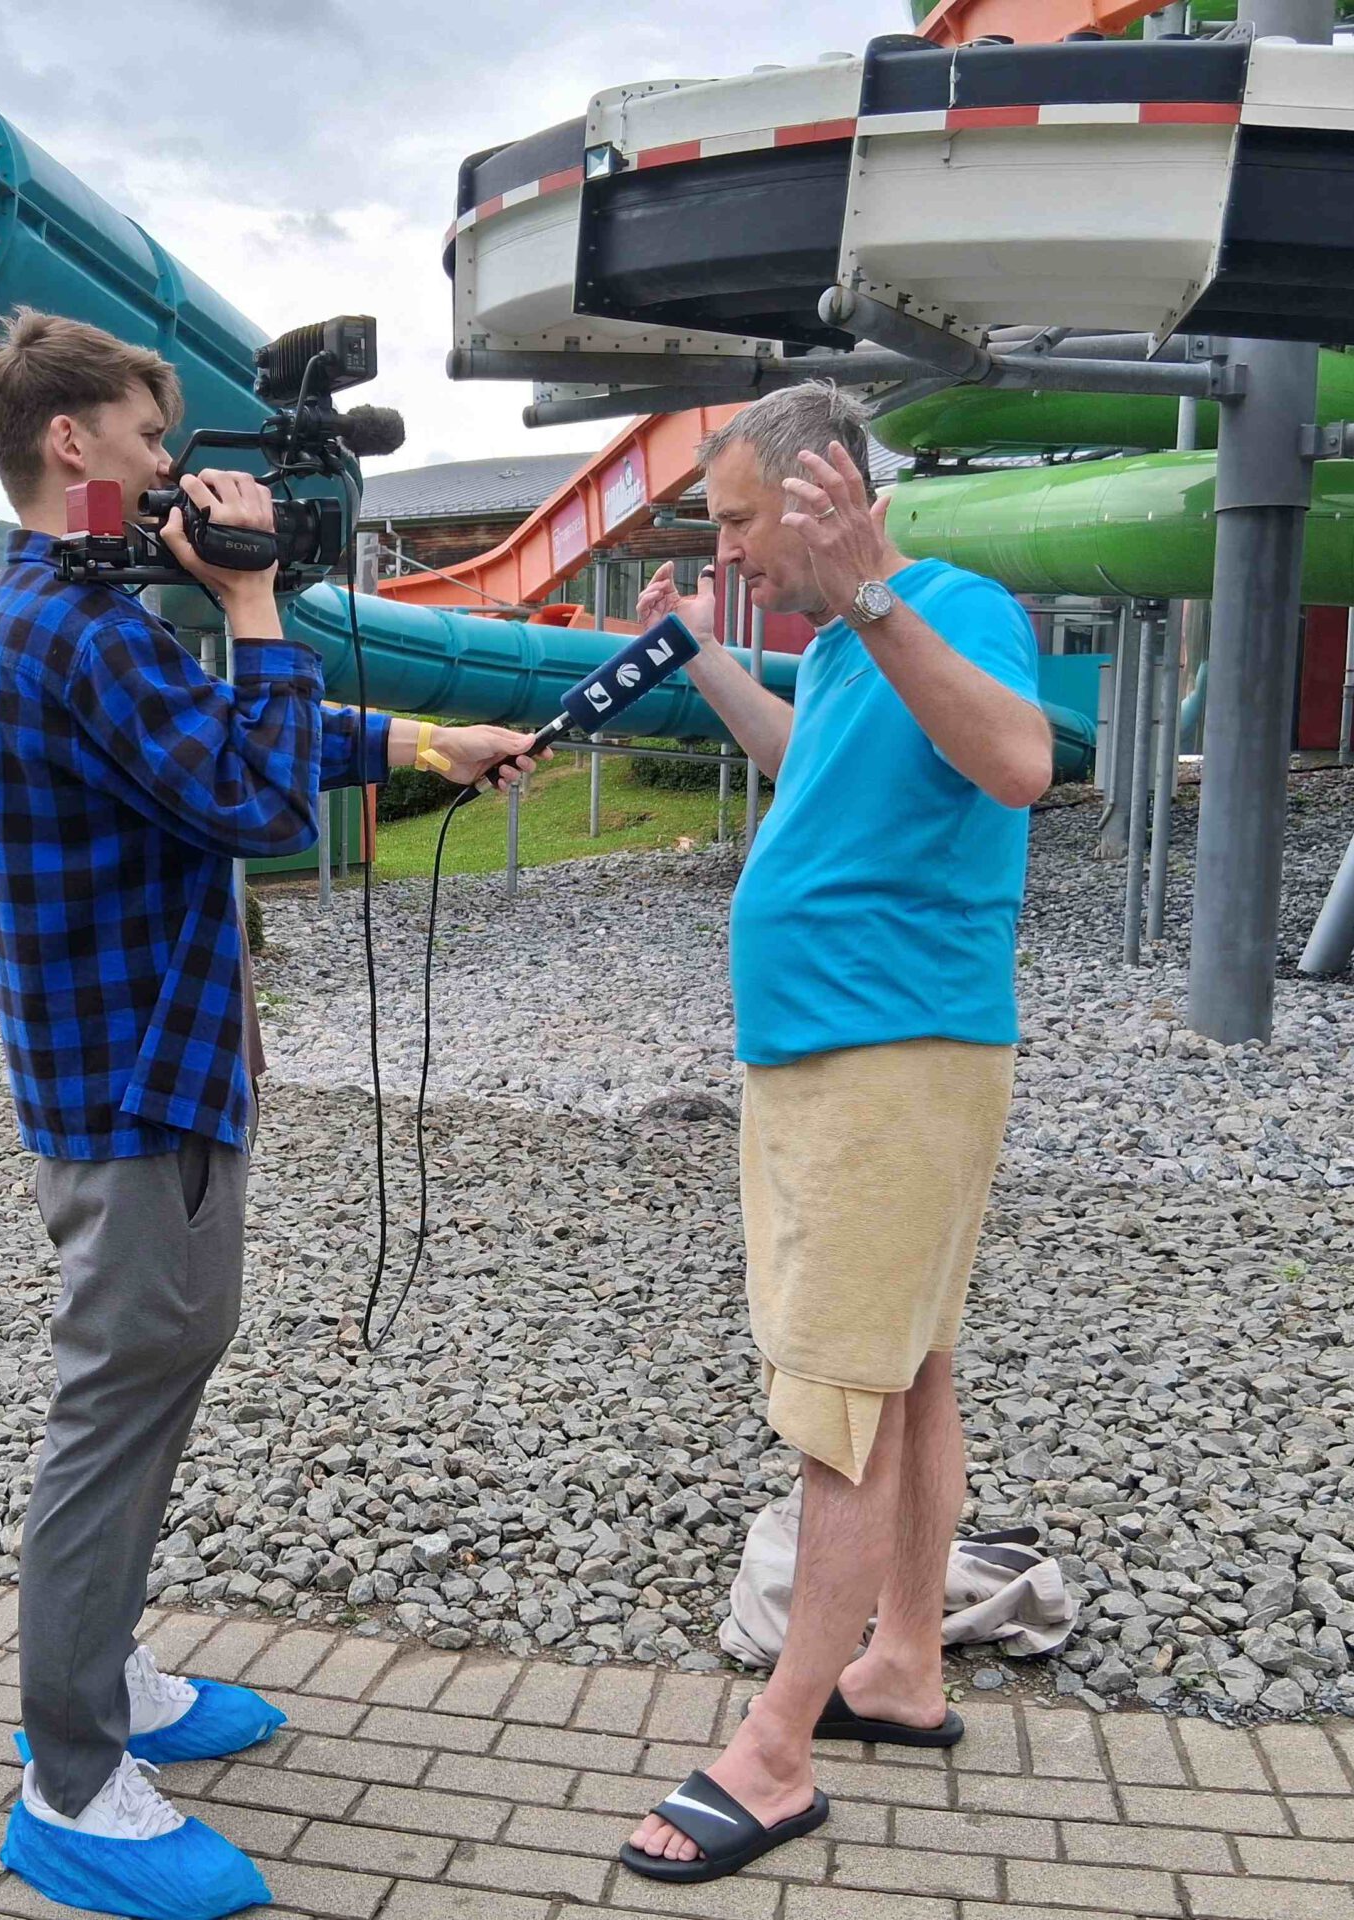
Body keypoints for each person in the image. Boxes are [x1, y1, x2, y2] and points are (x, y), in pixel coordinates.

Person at [0, 308, 540, 1920]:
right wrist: (257, 595)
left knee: (155, 1381)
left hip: (150, 1073)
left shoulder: (76, 611)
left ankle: (104, 1677)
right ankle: (71, 1781)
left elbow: (225, 740)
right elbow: (261, 796)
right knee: (116, 1409)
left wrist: (424, 738)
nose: (173, 467)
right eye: (152, 439)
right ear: (72, 443)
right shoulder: (77, 628)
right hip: (134, 1088)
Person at [619, 382, 1052, 1884]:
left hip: (888, 1056)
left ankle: (778, 1750)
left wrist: (874, 594)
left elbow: (1021, 761)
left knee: (840, 1401)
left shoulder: (947, 609)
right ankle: (903, 1667)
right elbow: (812, 762)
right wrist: (705, 655)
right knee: (908, 1369)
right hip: (849, 1055)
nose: (729, 549)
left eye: (743, 520)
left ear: (829, 495)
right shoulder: (851, 652)